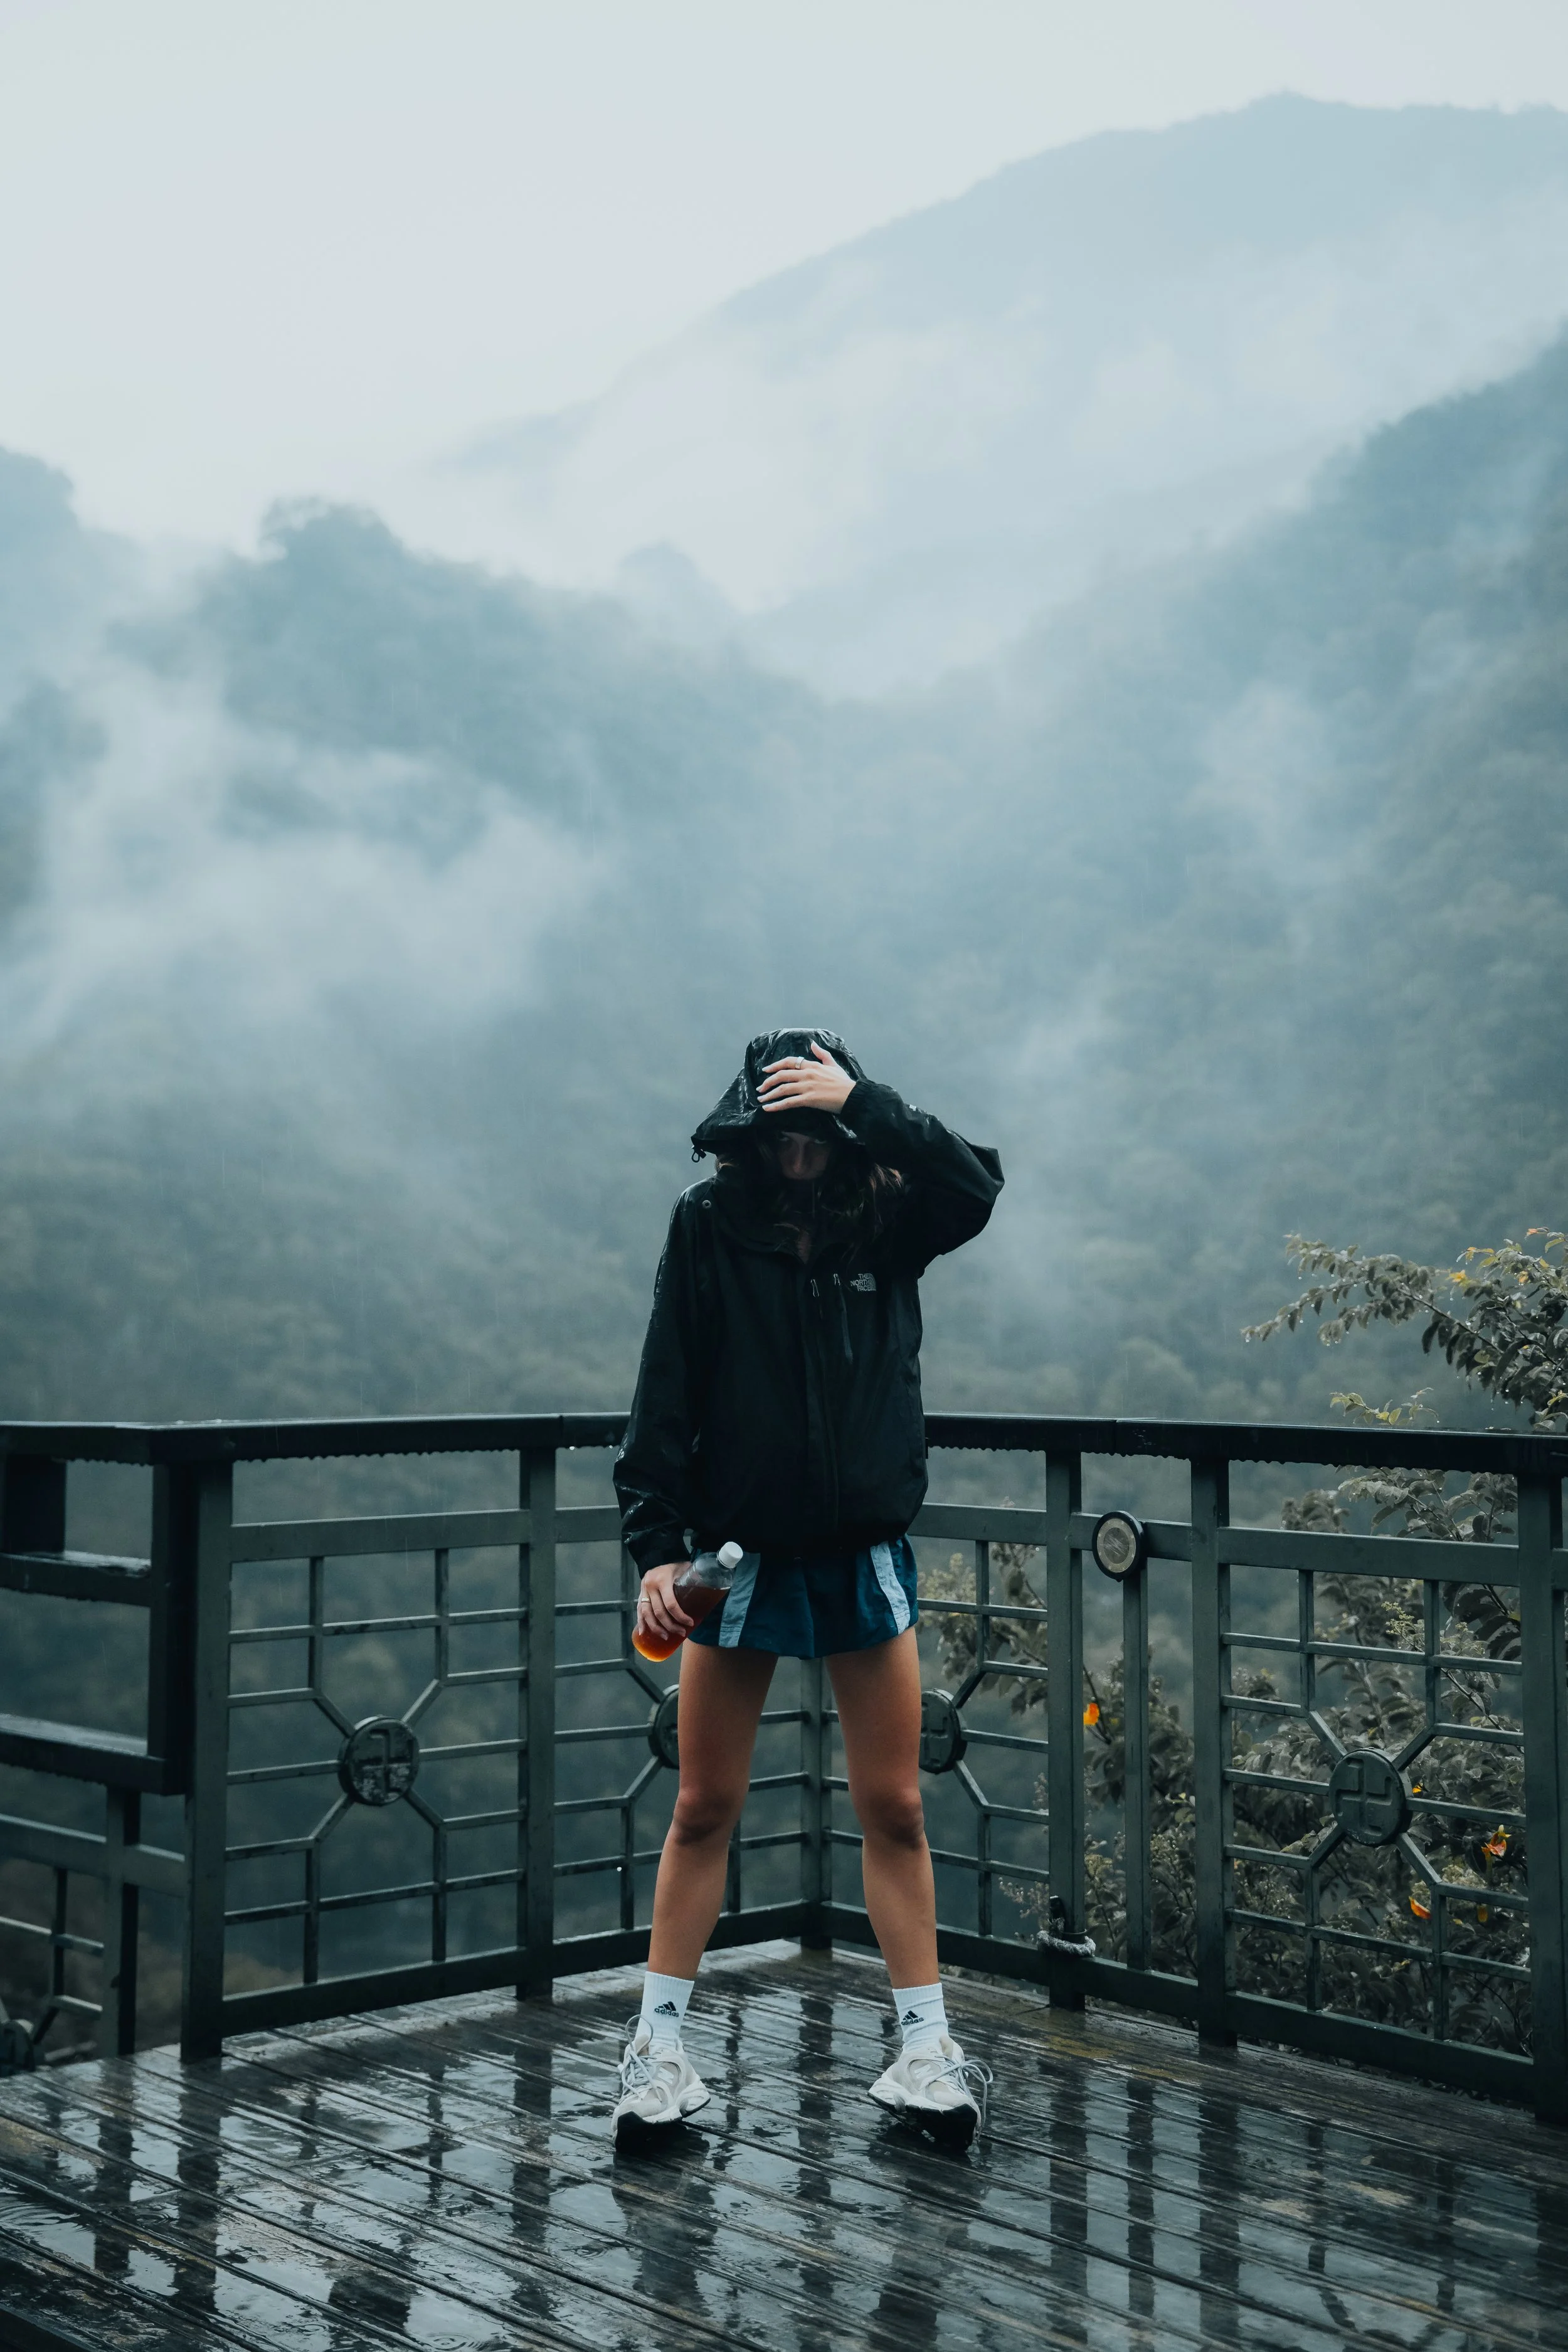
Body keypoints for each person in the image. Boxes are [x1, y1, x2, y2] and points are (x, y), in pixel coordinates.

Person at [610, 1027, 1003, 2148]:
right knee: (702, 1806)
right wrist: (654, 1547)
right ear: (752, 1126)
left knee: (896, 1804)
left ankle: (927, 2046)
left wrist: (867, 1100)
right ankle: (656, 2047)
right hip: (736, 1560)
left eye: (814, 1124)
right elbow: (664, 1393)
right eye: (780, 1124)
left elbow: (975, 1186)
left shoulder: (887, 1209)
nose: (797, 1147)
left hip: (862, 1553)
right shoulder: (706, 1223)